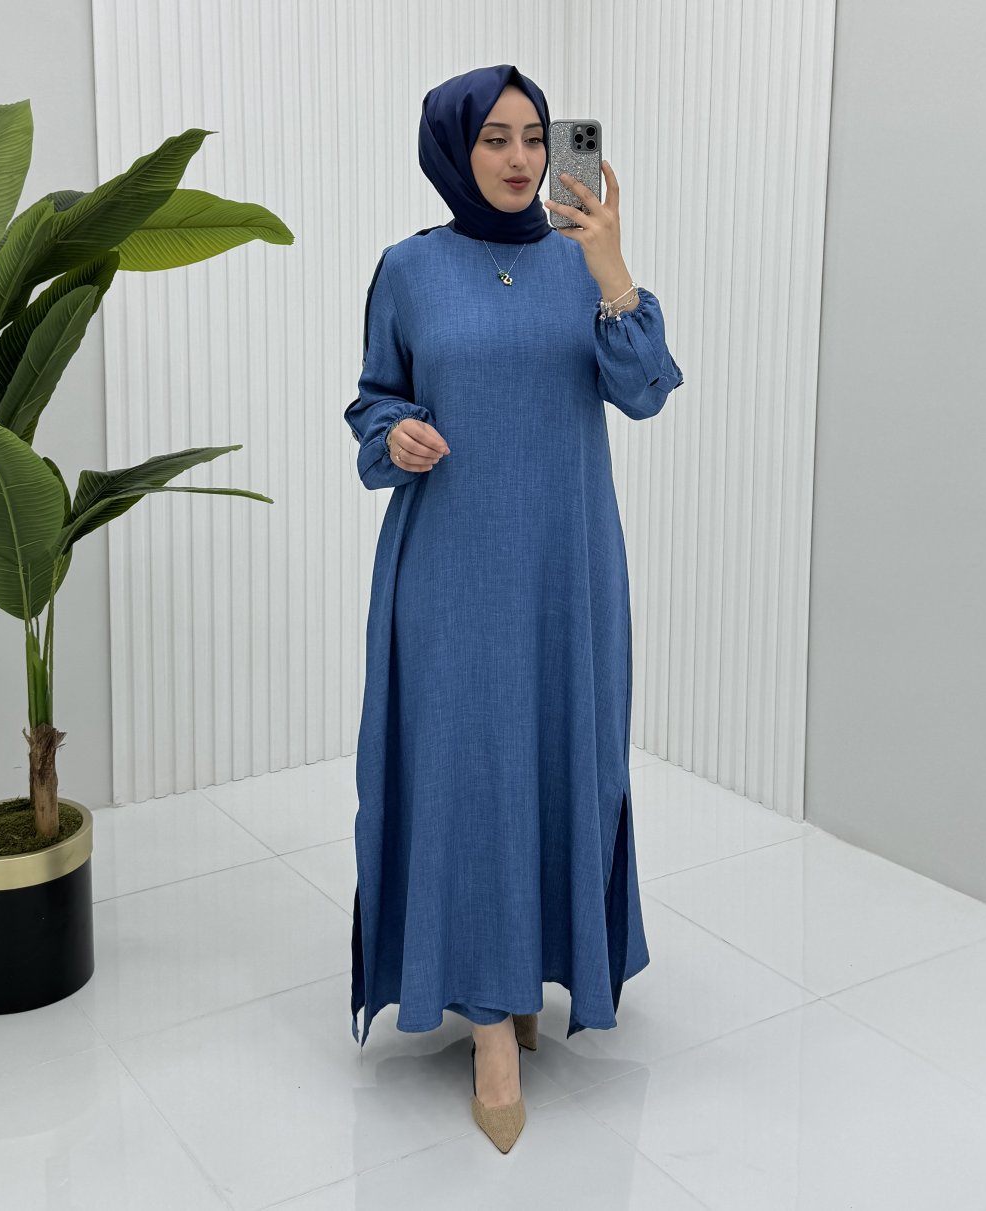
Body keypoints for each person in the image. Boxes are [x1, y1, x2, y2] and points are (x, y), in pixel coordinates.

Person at [344, 64, 684, 1153]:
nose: (520, 158)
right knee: (470, 773)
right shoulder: (409, 268)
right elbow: (373, 402)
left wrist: (612, 264)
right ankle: (491, 1023)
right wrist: (393, 436)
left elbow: (645, 388)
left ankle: (536, 966)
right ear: (454, 146)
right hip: (450, 571)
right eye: (494, 137)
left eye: (535, 136)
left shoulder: (583, 262)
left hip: (568, 569)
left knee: (560, 761)